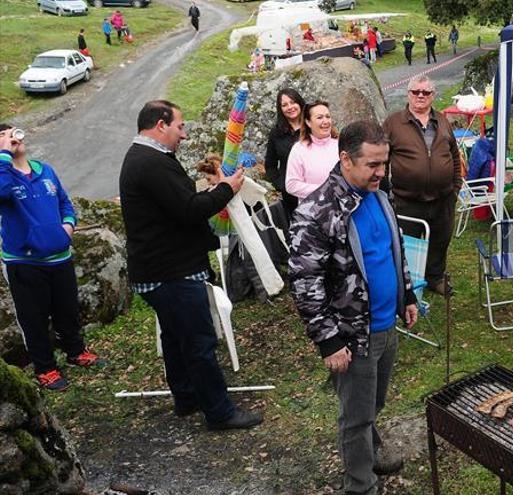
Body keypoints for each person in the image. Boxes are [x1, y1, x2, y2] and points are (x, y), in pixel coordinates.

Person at [289, 120, 418, 495]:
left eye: (384, 163)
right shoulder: (318, 212)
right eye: (373, 165)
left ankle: (370, 451)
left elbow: (392, 250)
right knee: (356, 415)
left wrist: (406, 295)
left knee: (372, 402)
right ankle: (360, 484)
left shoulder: (377, 194)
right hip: (351, 335)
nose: (381, 172)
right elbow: (305, 283)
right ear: (345, 159)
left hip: (384, 325)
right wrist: (329, 342)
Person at [119, 100, 262, 431]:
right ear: (160, 125)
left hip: (161, 269)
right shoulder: (151, 163)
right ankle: (220, 412)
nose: (184, 134)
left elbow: (174, 205)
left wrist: (212, 189)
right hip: (171, 272)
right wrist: (226, 188)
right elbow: (188, 210)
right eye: (180, 126)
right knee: (198, 342)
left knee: (175, 336)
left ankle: (186, 398)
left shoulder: (148, 159)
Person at [0, 125, 105, 391]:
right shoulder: (5, 175)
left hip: (59, 256)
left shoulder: (45, 170)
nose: (12, 137)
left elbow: (64, 202)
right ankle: (45, 368)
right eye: (3, 135)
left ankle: (76, 351)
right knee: (33, 318)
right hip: (24, 261)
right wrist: (3, 157)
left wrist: (67, 227)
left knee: (67, 308)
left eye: (13, 132)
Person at [383, 75, 461, 295]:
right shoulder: (394, 123)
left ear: (432, 96)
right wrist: (385, 193)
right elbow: (382, 158)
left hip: (443, 198)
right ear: (408, 94)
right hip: (406, 199)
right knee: (406, 243)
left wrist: (455, 187)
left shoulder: (442, 120)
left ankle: (435, 279)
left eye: (425, 92)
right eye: (415, 92)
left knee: (440, 240)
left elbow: (454, 155)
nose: (420, 96)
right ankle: (408, 284)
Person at [264, 88, 306, 219]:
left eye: (292, 102)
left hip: (315, 189)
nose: (290, 107)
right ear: (280, 109)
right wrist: (280, 185)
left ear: (300, 103)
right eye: (284, 105)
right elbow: (270, 165)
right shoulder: (276, 133)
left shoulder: (312, 127)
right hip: (291, 195)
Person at [285, 101, 339, 200]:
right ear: (308, 122)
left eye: (328, 116)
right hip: (317, 211)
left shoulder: (341, 144)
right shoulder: (299, 150)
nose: (326, 121)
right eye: (319, 117)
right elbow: (291, 185)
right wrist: (325, 191)